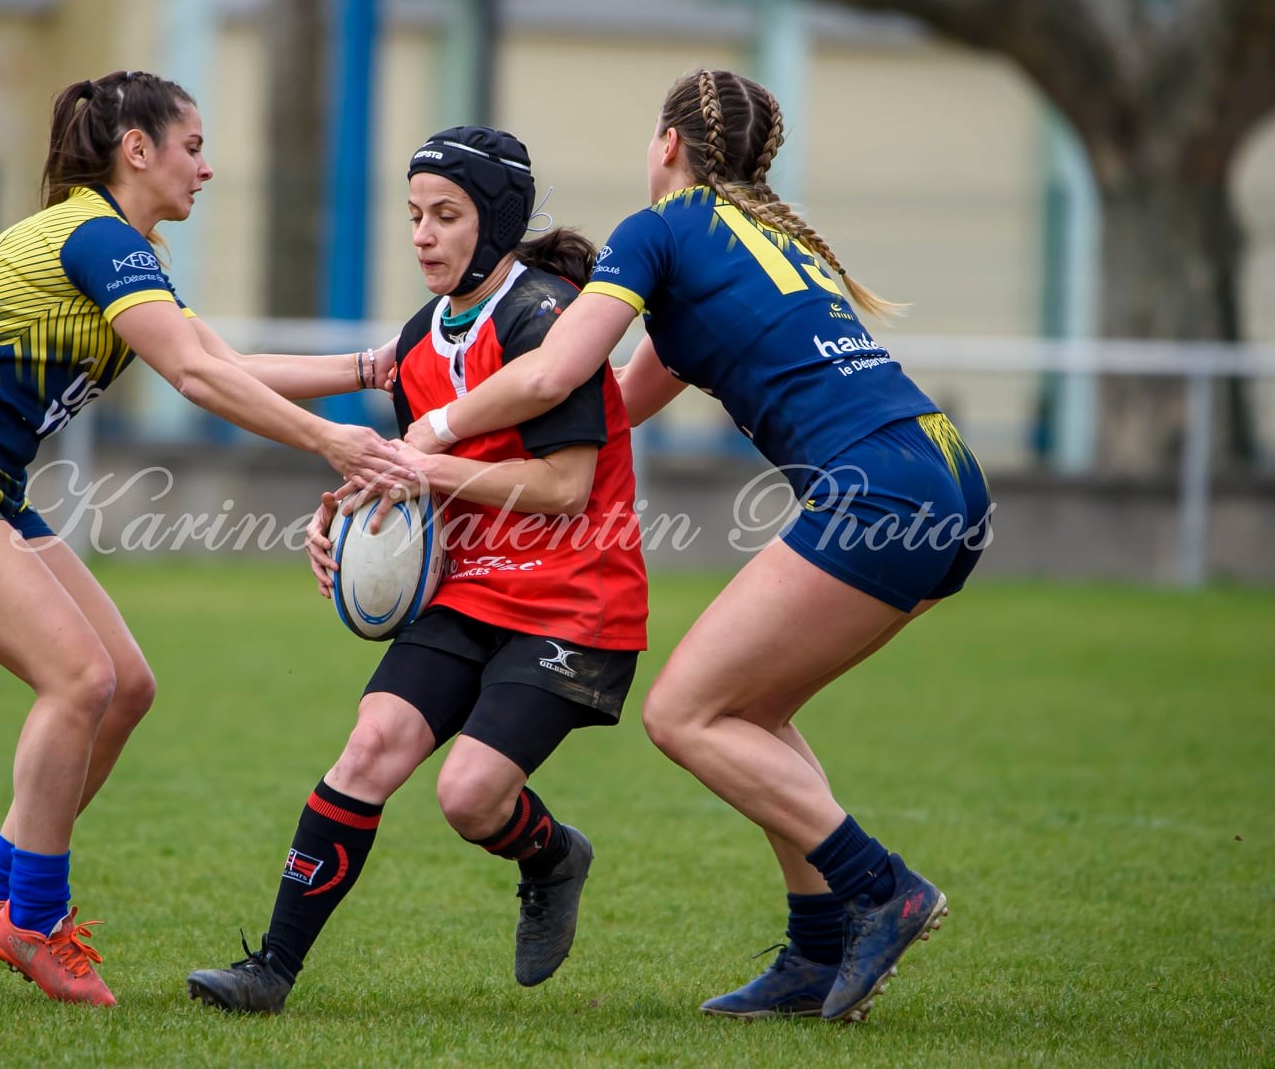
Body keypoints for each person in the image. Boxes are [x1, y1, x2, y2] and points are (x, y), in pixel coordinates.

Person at [404, 69, 990, 1023]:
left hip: (878, 489)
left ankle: (880, 887)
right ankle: (813, 954)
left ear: (665, 146)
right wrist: (471, 462)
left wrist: (422, 441)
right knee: (748, 711)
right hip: (944, 472)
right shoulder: (764, 241)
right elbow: (612, 411)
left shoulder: (661, 229)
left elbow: (558, 368)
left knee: (683, 714)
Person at [0, 70, 406, 1008]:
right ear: (134, 150)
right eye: (192, 146)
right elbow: (192, 375)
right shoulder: (96, 234)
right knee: (79, 679)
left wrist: (367, 369)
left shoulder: (119, 246)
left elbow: (221, 362)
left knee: (124, 684)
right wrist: (331, 439)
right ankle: (35, 917)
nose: (207, 168)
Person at [183, 126, 650, 1014]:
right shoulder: (421, 336)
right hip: (469, 589)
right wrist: (343, 516)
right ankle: (270, 971)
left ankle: (551, 855)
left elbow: (560, 488)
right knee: (371, 745)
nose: (423, 236)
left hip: (572, 599)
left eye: (446, 215)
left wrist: (414, 465)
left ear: (498, 220)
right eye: (413, 216)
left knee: (470, 798)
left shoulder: (548, 318)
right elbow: (407, 476)